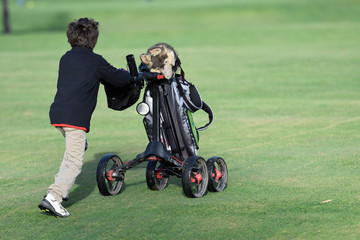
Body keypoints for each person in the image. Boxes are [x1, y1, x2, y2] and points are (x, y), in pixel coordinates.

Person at [38, 17, 133, 218]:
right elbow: (119, 78)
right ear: (94, 40)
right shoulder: (95, 61)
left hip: (57, 115)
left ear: (70, 38)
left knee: (76, 150)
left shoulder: (65, 58)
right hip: (75, 119)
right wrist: (129, 76)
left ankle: (60, 191)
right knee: (74, 161)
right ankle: (54, 197)